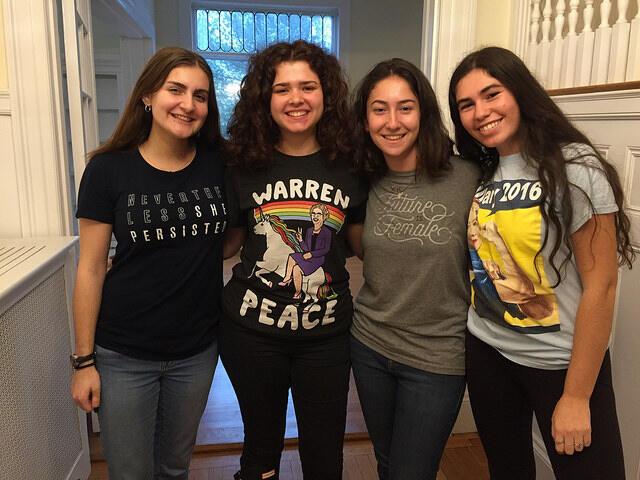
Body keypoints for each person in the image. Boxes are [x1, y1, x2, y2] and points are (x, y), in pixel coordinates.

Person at [449, 46, 634, 479]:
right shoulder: (482, 168)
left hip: (560, 364)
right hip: (488, 352)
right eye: (466, 105)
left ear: (520, 91)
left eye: (491, 94)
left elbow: (602, 286)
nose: (481, 112)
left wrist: (576, 395)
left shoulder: (574, 165)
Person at [70, 47, 227, 479]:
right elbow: (91, 268)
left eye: (200, 95)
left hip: (197, 351)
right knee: (130, 472)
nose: (188, 104)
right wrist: (84, 362)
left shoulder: (219, 164)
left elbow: (228, 242)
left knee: (175, 468)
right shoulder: (107, 169)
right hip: (123, 352)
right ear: (147, 96)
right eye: (175, 89)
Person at [220, 40, 367, 480]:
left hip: (327, 337)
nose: (296, 98)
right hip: (251, 334)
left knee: (324, 456)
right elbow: (229, 243)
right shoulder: (240, 163)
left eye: (308, 86)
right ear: (265, 99)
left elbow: (363, 241)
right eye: (282, 89)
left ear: (327, 94)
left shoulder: (353, 162)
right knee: (259, 452)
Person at [348, 58, 480, 480]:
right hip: (369, 346)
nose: (392, 121)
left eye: (404, 107)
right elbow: (366, 252)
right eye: (379, 108)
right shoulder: (362, 181)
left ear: (423, 112)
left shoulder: (468, 177)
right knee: (387, 463)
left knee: (412, 472)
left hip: (438, 357)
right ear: (365, 120)